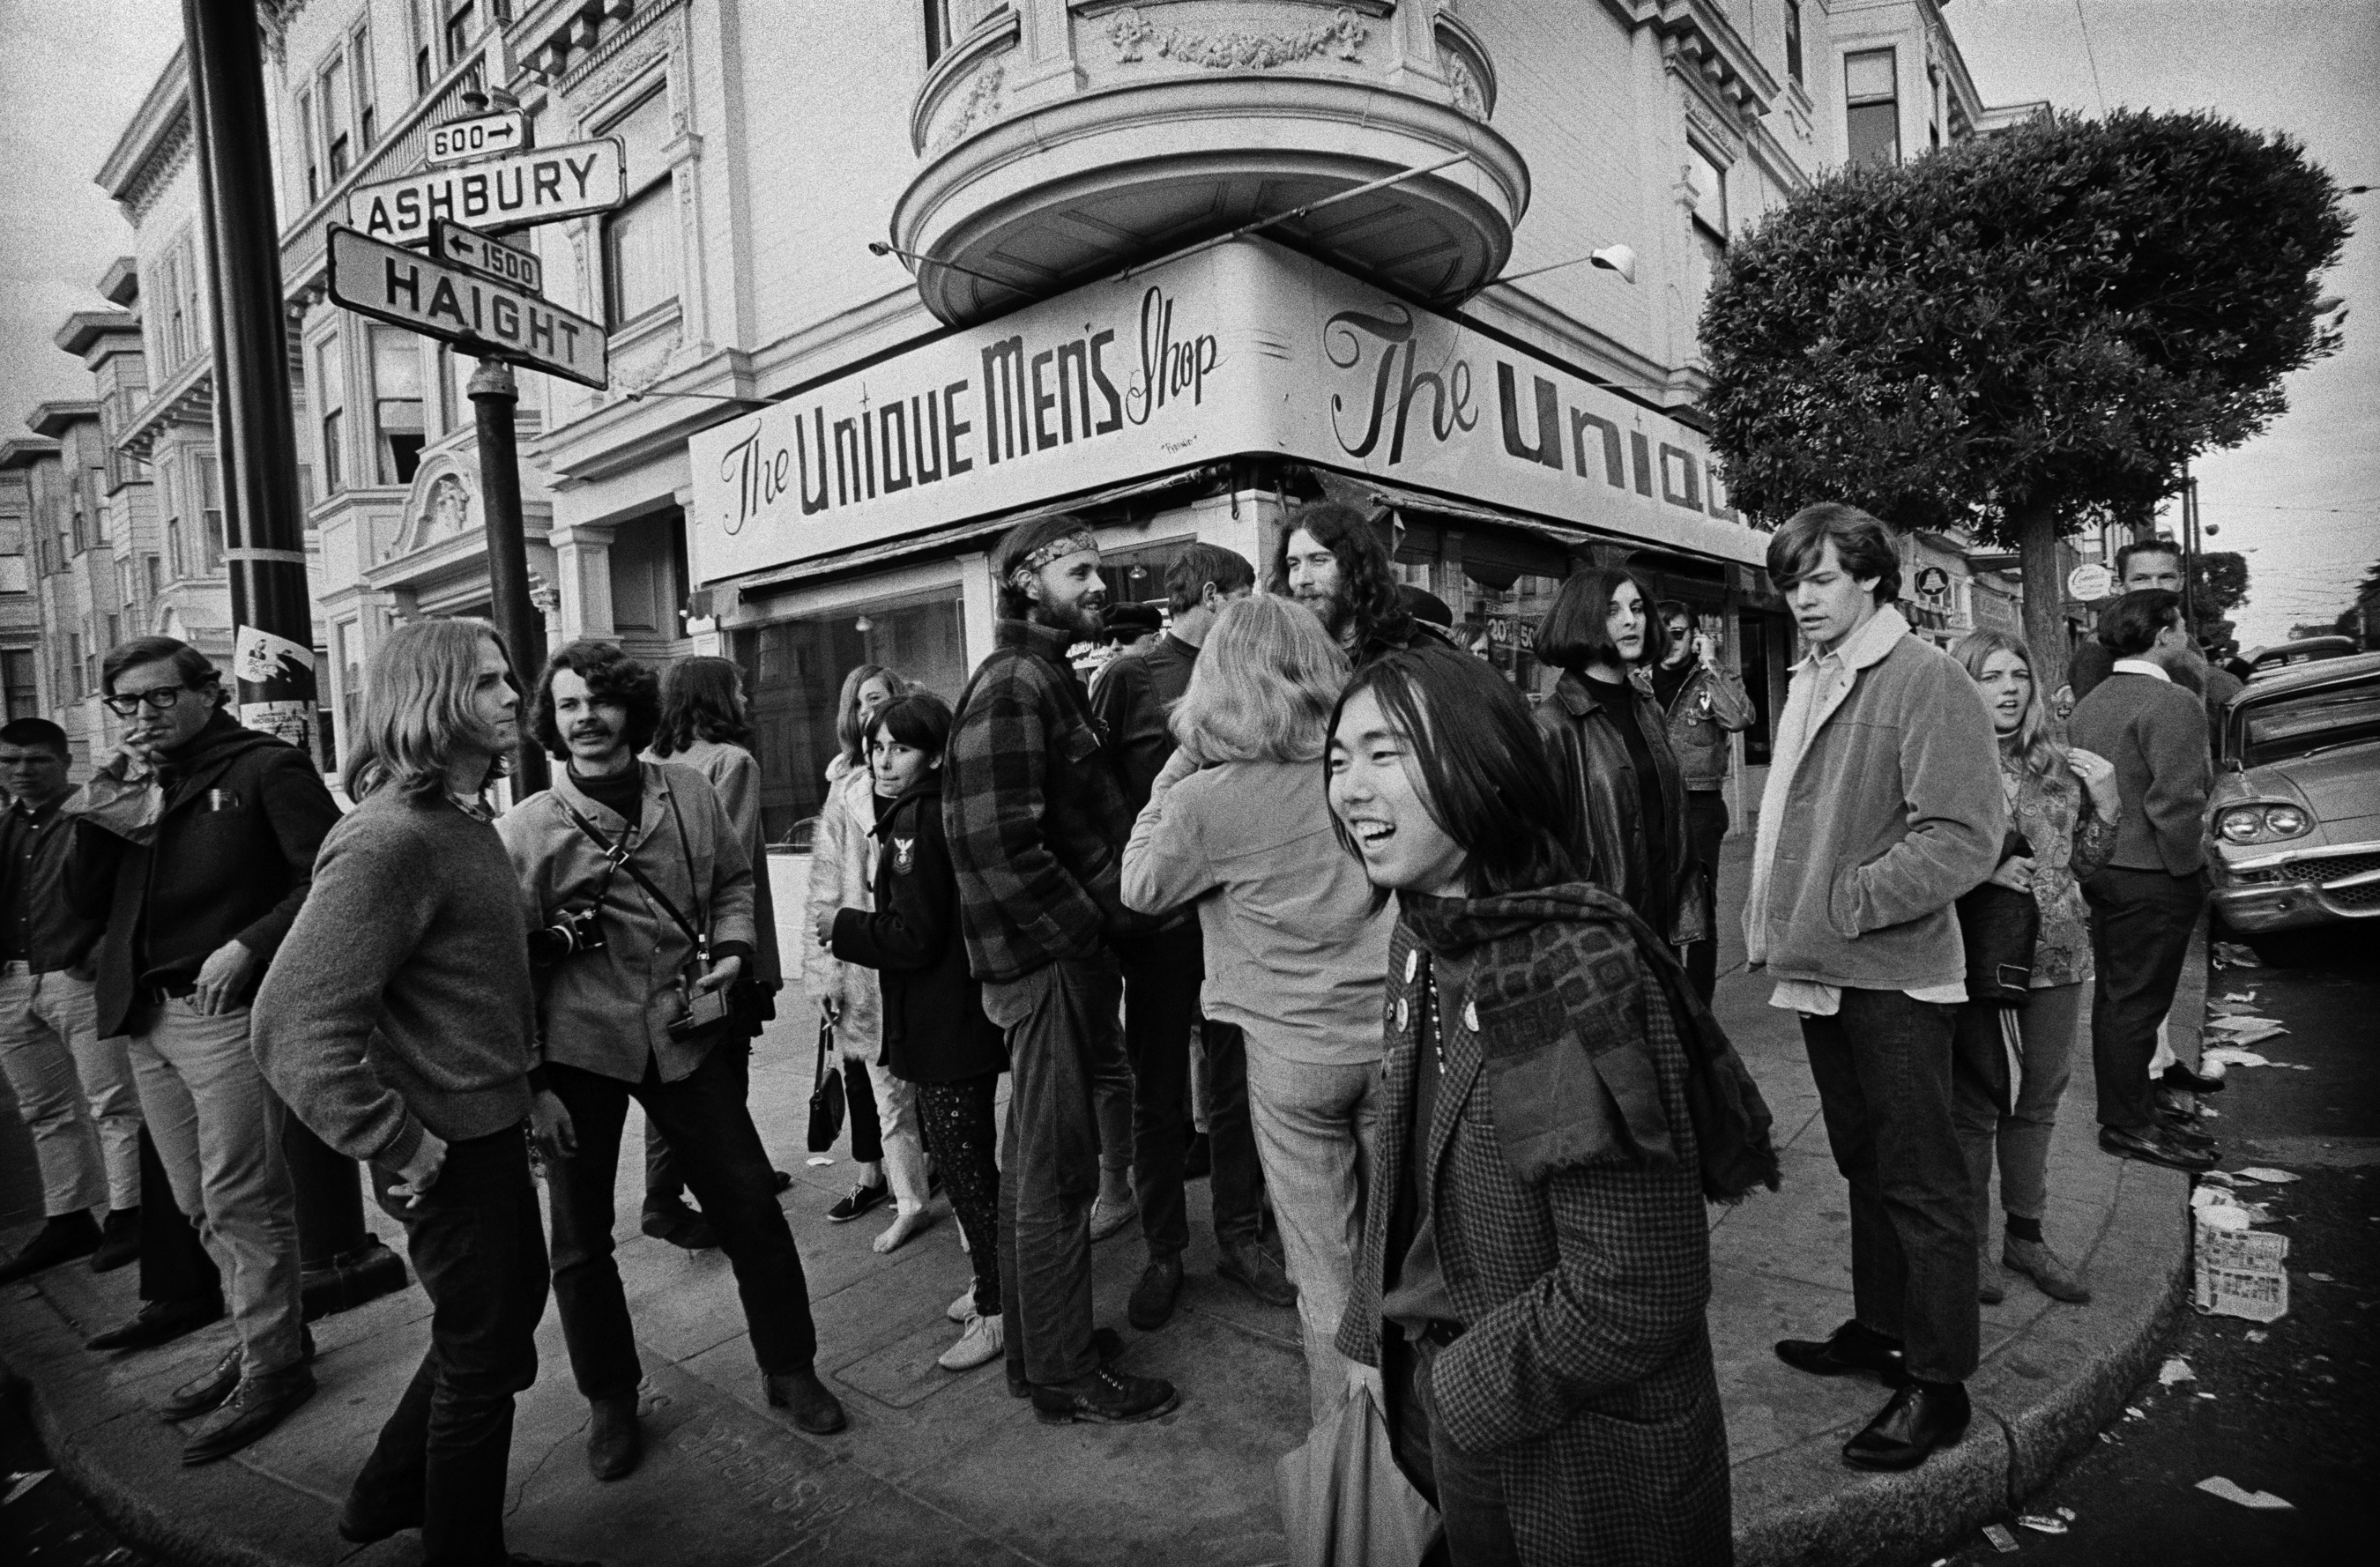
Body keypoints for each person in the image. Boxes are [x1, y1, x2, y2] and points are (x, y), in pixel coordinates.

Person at [1328, 642, 1747, 1566]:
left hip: (1567, 1439)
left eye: (1385, 753)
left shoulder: (1561, 975)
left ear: (1482, 764)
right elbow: (1403, 1155)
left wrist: (1457, 1391)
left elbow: (1636, 1287)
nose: (1352, 787)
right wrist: (1373, 1337)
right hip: (1447, 1382)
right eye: (1338, 759)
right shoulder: (1423, 933)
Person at [251, 620, 589, 1567]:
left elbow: (475, 981)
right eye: (486, 681)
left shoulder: (462, 821)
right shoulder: (387, 839)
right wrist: (394, 1139)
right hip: (444, 1151)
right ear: (430, 698)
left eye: (506, 675)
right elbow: (291, 1025)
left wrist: (532, 1085)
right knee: (485, 1358)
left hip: (488, 1125)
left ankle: (383, 1494)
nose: (512, 693)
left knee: (497, 1317)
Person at [498, 640, 844, 1481]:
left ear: (632, 711)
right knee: (580, 1242)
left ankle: (789, 1369)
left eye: (601, 702)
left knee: (751, 1208)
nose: (586, 718)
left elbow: (731, 881)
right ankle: (611, 1399)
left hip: (685, 1036)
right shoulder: (528, 830)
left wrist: (732, 950)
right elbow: (504, 969)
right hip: (581, 1049)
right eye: (570, 704)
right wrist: (533, 1082)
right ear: (553, 719)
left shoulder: (686, 790)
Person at [1747, 505, 2006, 1473]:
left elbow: (1965, 835)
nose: (1800, 598)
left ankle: (1939, 1383)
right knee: (1864, 1158)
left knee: (1923, 1178)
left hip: (1891, 972)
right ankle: (1881, 1327)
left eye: (1818, 578)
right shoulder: (1816, 676)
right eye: (1790, 581)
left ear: (1870, 578)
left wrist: (1849, 900)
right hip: (1822, 969)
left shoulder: (1924, 678)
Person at [1121, 596, 1394, 1425]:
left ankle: (1356, 1467)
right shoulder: (1357, 774)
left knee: (1327, 1276)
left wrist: (1177, 767)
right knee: (1399, 1255)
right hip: (1391, 1042)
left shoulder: (1208, 801)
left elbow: (1140, 885)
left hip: (1291, 1061)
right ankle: (1424, 1450)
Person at [63, 635, 327, 1465]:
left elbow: (328, 875)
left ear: (206, 692)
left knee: (243, 1195)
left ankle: (275, 1364)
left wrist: (250, 944)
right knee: (195, 1202)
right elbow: (82, 903)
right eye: (127, 703)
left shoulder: (262, 769)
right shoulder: (138, 783)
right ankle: (266, 1337)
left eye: (160, 696)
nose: (144, 715)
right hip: (147, 1016)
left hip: (224, 1013)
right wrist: (102, 810)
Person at [945, 513, 1179, 1425]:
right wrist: (1087, 932)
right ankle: (1066, 1371)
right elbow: (993, 841)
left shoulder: (1042, 675)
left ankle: (1043, 1346)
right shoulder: (1014, 681)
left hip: (1056, 961)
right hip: (1047, 966)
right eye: (1079, 570)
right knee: (1057, 1173)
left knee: (1038, 1164)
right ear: (1027, 580)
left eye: (1098, 569)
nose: (1098, 587)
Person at [1089, 543, 1285, 1327]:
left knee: (1237, 1089)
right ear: (1212, 593)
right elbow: (1099, 800)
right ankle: (1165, 1249)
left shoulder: (1251, 674)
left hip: (1235, 918)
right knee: (1159, 1093)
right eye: (1247, 592)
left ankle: (1240, 1237)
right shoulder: (1129, 679)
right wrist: (1131, 902)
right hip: (1161, 922)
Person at [823, 691, 1009, 1372]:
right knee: (967, 1170)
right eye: (875, 746)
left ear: (933, 753)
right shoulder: (921, 811)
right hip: (946, 1022)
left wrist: (841, 930)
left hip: (943, 1028)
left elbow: (914, 936)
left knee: (967, 1174)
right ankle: (992, 1285)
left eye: (899, 747)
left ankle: (997, 1309)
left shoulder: (913, 824)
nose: (882, 759)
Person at [1949, 630, 2123, 1305]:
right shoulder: (1947, 760)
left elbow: (2079, 866)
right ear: (1965, 686)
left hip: (2058, 955)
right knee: (1975, 1106)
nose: (2009, 689)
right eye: (1990, 676)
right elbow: (1912, 846)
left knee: (2039, 1099)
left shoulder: (2058, 764)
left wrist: (2108, 807)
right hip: (1981, 956)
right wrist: (1985, 867)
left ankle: (2026, 1236)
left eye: (2018, 674)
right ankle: (1969, 1247)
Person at [2067, 590, 2220, 1174]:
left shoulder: (2092, 702)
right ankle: (2128, 1125)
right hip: (2154, 874)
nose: (2184, 630)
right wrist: (2192, 868)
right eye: (2179, 621)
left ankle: (2133, 1110)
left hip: (2106, 868)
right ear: (2161, 633)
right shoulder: (2172, 701)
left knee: (2117, 999)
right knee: (2137, 1004)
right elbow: (2177, 803)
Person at [641, 655, 788, 1251]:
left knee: (676, 1068)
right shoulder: (732, 762)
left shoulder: (650, 763)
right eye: (739, 690)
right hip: (720, 946)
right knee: (726, 1067)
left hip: (659, 947)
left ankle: (704, 1182)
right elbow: (723, 862)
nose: (747, 701)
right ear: (715, 699)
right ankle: (703, 1190)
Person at [0, 717, 141, 1282]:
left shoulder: (92, 813)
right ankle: (68, 1216)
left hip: (75, 976)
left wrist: (108, 944)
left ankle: (129, 1214)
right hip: (13, 982)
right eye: (10, 762)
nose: (22, 771)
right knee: (45, 1110)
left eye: (36, 760)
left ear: (63, 762)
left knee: (112, 1102)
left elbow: (132, 884)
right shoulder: (6, 826)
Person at [804, 663, 933, 1246]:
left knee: (939, 1092)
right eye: (859, 708)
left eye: (878, 703)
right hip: (864, 966)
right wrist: (826, 976)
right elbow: (825, 888)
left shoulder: (929, 791)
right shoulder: (844, 792)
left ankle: (961, 1191)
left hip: (922, 963)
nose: (867, 717)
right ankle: (909, 1199)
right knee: (888, 1099)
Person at [1534, 567, 1700, 949]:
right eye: (1612, 611)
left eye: (1637, 608)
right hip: (1600, 931)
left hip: (1663, 918)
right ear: (1582, 621)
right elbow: (1541, 854)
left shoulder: (1648, 708)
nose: (1631, 620)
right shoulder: (1550, 727)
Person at [1650, 603, 1756, 1001]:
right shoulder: (1638, 679)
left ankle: (1699, 1009)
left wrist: (1711, 665)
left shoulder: (1710, 678)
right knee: (1660, 907)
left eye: (1677, 634)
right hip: (1652, 803)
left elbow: (1740, 718)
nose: (1669, 644)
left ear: (1695, 637)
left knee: (1699, 909)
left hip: (1698, 804)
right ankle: (1671, 1003)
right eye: (1662, 636)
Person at [1276, 501, 1440, 665]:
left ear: (1356, 566)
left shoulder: (1418, 653)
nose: (1302, 579)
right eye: (1294, 564)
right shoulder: (1283, 655)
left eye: (1319, 560)